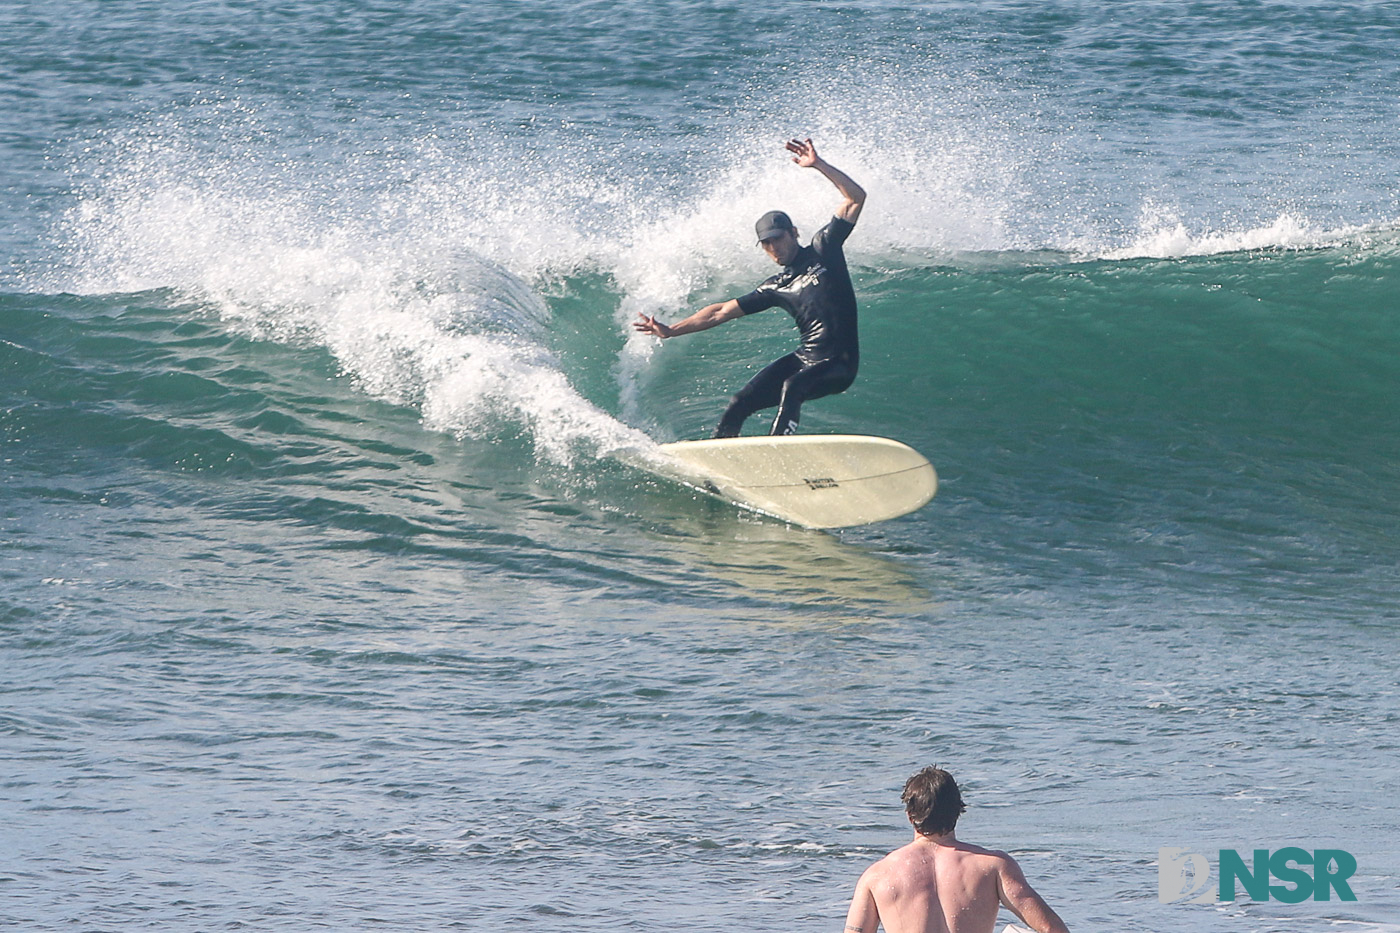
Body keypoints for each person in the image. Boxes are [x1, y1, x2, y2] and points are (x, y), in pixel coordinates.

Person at [632, 138, 865, 438]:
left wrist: (819, 165)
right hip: (806, 357)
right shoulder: (776, 286)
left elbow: (856, 198)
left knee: (792, 386)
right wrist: (672, 330)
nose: (773, 248)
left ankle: (777, 452)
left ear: (793, 233)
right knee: (740, 402)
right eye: (766, 244)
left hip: (839, 364)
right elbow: (719, 312)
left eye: (777, 239)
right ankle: (717, 460)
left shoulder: (824, 249)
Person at [842, 766, 1071, 933]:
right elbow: (1053, 928)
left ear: (910, 816)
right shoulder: (993, 866)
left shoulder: (877, 875)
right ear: (958, 811)